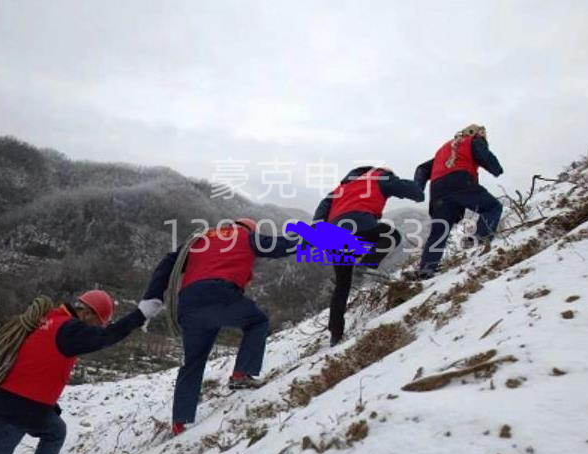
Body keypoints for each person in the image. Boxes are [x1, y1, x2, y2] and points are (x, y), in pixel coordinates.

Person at [0, 290, 163, 454]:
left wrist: (47, 404)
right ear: (89, 314)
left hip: (27, 405)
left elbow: (37, 362)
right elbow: (106, 337)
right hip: (15, 408)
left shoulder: (51, 319)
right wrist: (139, 315)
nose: (95, 330)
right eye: (98, 324)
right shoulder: (69, 329)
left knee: (55, 431)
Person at [142, 218, 297, 435]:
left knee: (193, 361)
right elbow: (280, 245)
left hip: (188, 303)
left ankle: (179, 422)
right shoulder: (245, 236)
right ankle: (241, 375)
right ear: (249, 229)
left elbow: (168, 262)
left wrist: (151, 297)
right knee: (257, 321)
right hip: (219, 293)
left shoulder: (200, 240)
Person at [313, 166, 424, 346]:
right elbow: (417, 194)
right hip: (361, 226)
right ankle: (364, 267)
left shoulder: (339, 190)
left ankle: (335, 334)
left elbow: (320, 215)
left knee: (342, 285)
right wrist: (421, 178)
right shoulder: (380, 177)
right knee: (391, 236)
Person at [413, 124, 504, 279]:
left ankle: (426, 270)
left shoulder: (444, 151)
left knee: (439, 231)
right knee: (493, 207)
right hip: (460, 181)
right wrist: (496, 169)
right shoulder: (473, 140)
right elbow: (484, 155)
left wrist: (417, 189)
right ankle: (478, 238)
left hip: (438, 190)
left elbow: (421, 168)